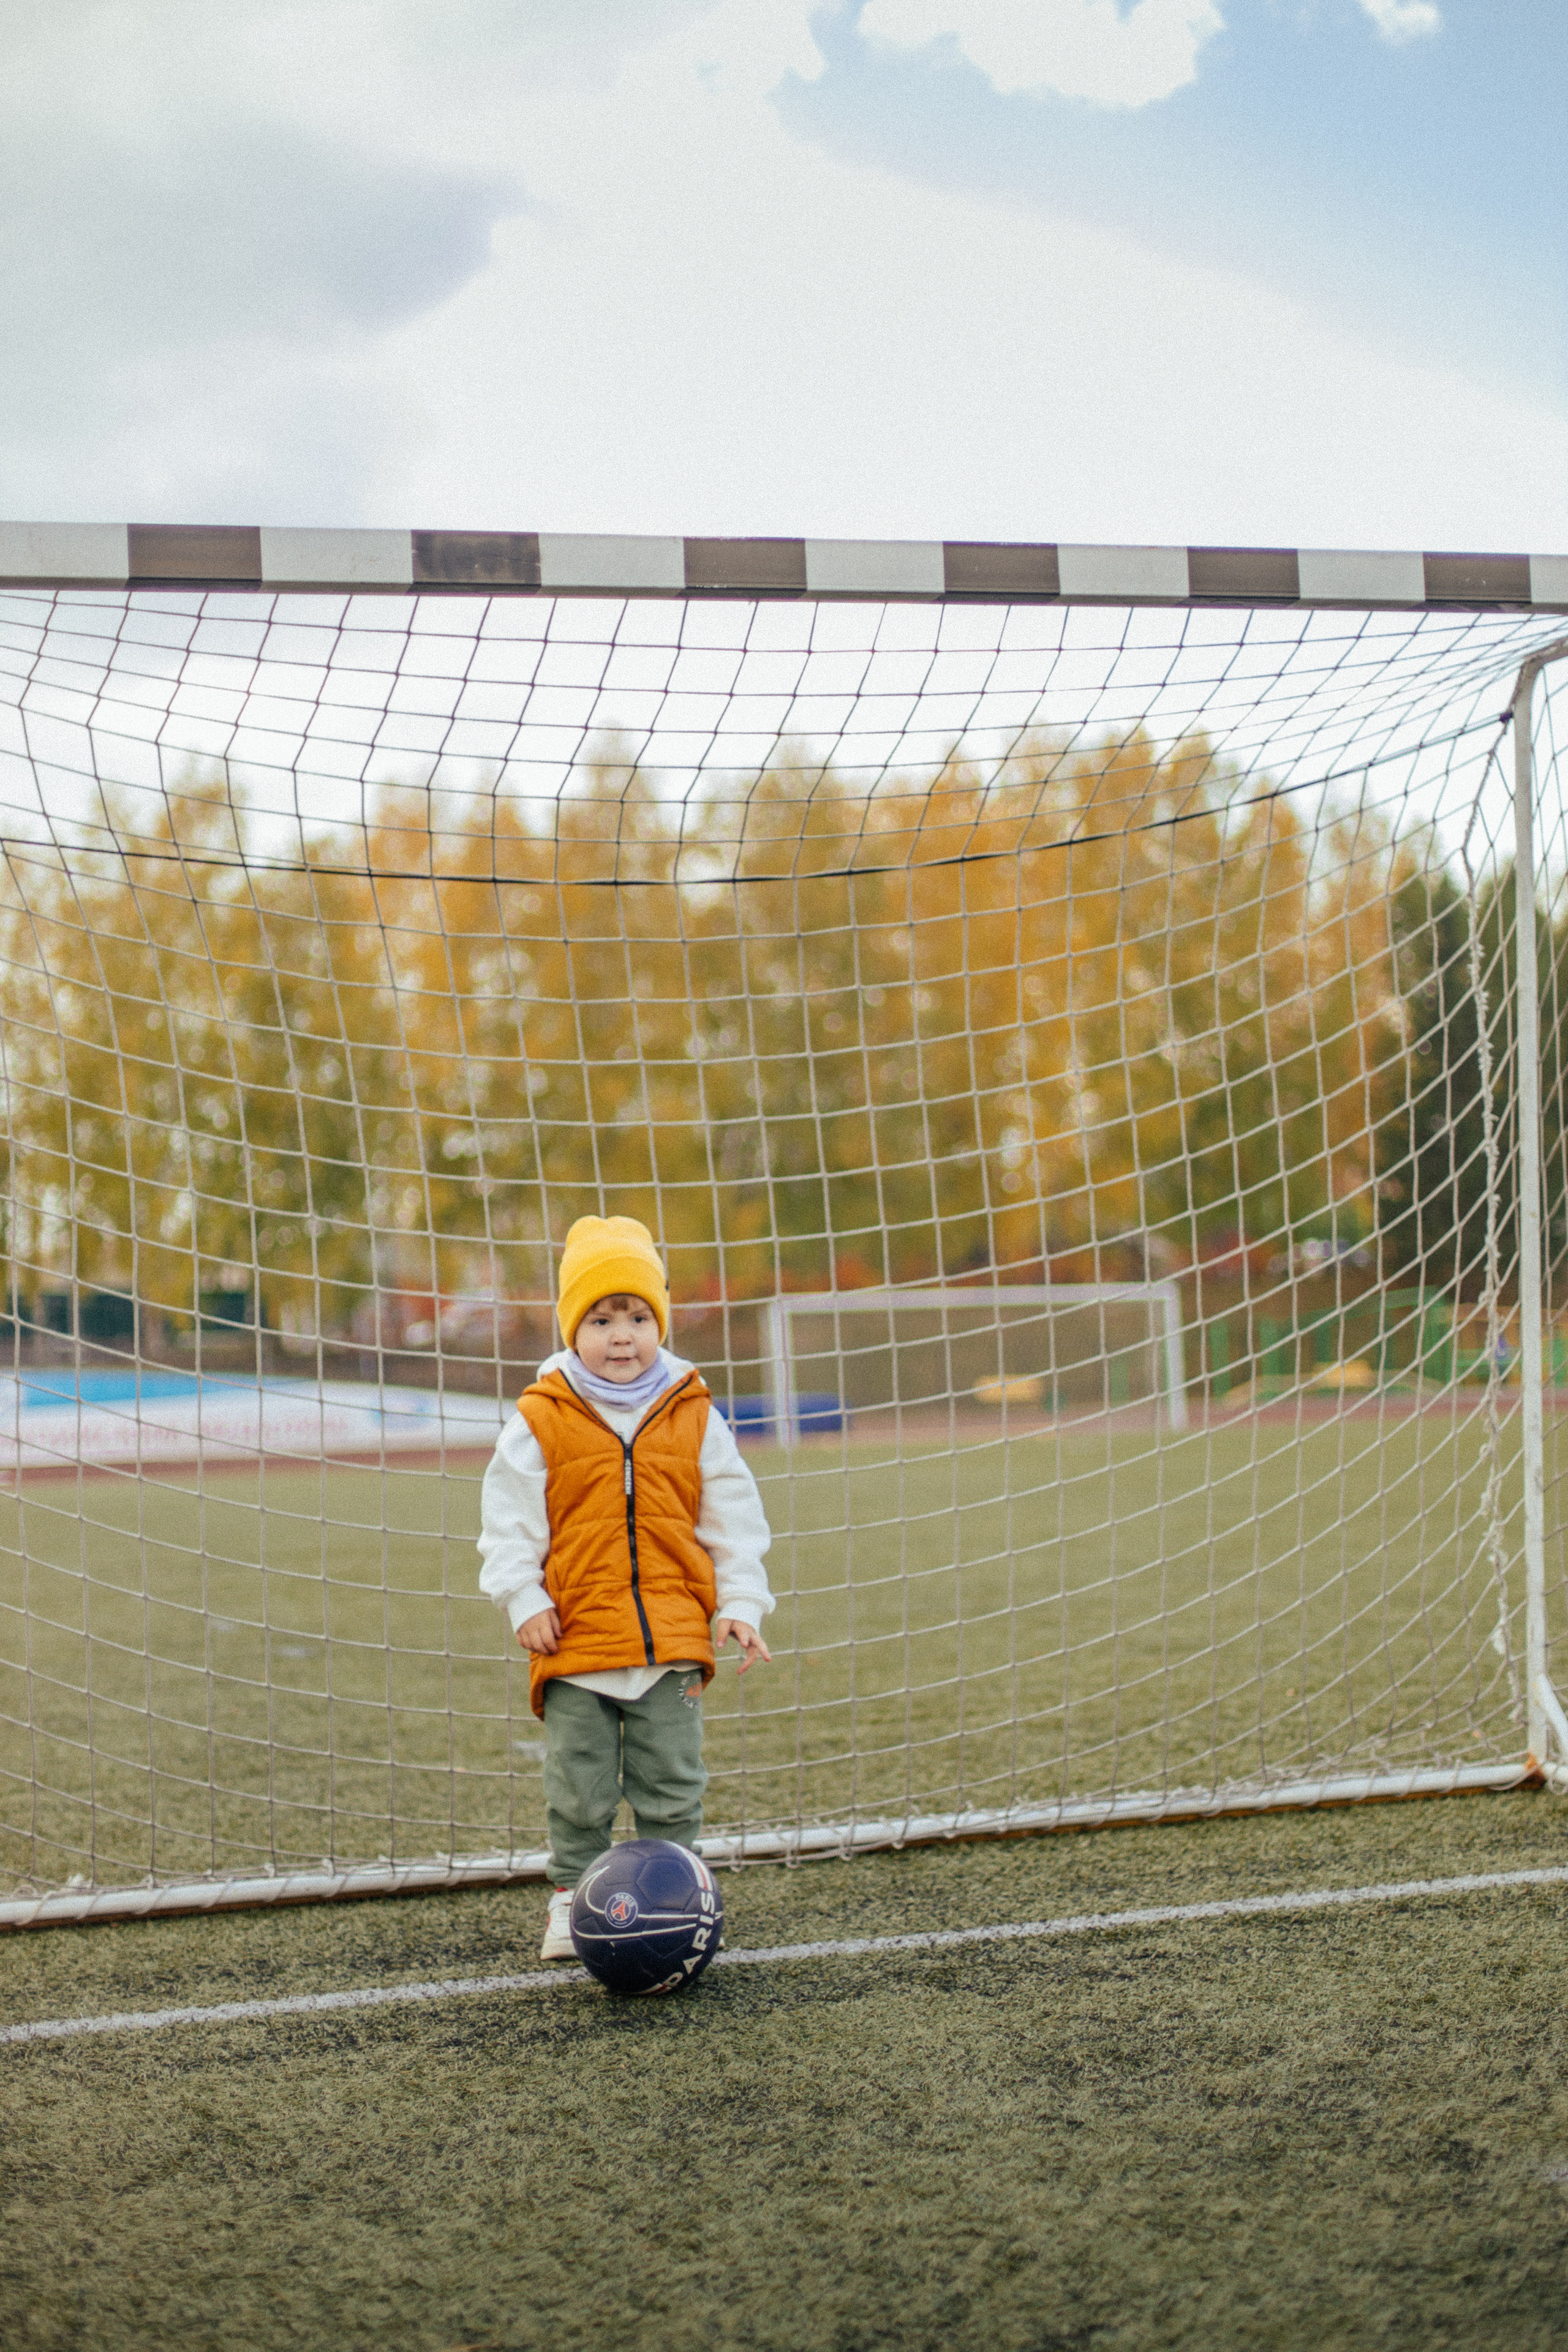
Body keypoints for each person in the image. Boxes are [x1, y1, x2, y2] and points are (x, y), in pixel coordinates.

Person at [479, 1215, 774, 1959]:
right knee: (577, 1788)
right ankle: (569, 1902)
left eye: (638, 1318)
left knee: (673, 1783)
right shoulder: (540, 1418)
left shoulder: (693, 1411)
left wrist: (740, 1602)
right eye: (602, 1318)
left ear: (659, 1323)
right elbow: (508, 1518)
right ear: (573, 1326)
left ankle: (680, 1899)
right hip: (576, 1637)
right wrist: (524, 1597)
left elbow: (732, 1514)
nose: (622, 1336)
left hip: (672, 1638)